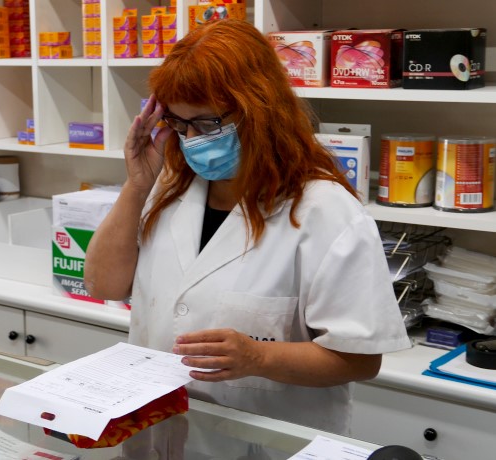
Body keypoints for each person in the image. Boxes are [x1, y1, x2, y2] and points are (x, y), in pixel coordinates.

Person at [84, 19, 410, 435]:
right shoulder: (168, 185)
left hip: (267, 439)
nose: (191, 140)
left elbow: (361, 359)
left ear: (260, 109)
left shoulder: (325, 211)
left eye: (206, 124)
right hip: (159, 429)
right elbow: (103, 285)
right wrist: (136, 184)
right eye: (180, 125)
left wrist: (258, 357)